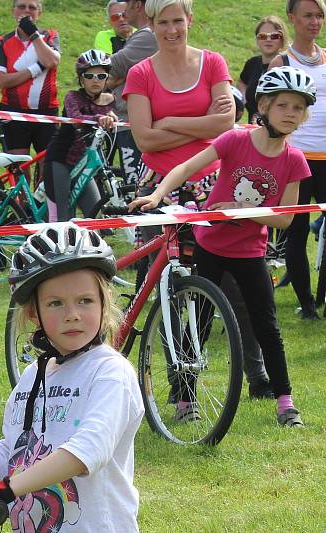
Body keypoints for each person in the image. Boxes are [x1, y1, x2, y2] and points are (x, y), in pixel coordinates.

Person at [0, 224, 143, 532]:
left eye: (85, 300)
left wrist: (6, 489)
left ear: (104, 303)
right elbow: (12, 451)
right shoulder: (33, 376)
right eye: (55, 303)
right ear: (34, 313)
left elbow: (87, 453)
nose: (72, 313)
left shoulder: (110, 372)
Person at [130, 66, 314, 427]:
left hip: (251, 253)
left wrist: (241, 210)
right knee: (196, 324)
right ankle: (185, 400)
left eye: (298, 107)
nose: (291, 113)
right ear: (264, 106)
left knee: (267, 327)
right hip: (210, 247)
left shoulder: (295, 160)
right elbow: (186, 168)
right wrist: (157, 193)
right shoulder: (235, 140)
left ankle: (285, 402)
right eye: (284, 105)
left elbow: (284, 220)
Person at [122, 0, 233, 256]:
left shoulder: (213, 63)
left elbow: (225, 124)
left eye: (177, 21)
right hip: (157, 184)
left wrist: (169, 122)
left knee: (215, 268)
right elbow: (145, 141)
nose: (171, 30)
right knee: (164, 274)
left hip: (211, 183)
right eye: (163, 22)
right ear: (151, 25)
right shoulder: (140, 73)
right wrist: (204, 123)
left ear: (189, 20)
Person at [267, 0, 326, 320]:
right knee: (297, 231)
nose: (314, 22)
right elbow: (267, 107)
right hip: (296, 159)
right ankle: (307, 304)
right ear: (292, 19)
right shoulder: (282, 61)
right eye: (308, 16)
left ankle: (322, 295)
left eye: (319, 16)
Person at [43, 50, 118, 222]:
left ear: (107, 78)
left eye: (101, 76)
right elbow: (77, 119)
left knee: (96, 216)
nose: (95, 80)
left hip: (82, 163)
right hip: (60, 159)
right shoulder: (73, 97)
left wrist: (112, 116)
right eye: (89, 75)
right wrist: (100, 118)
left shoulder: (109, 100)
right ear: (81, 78)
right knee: (62, 216)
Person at [0, 1, 61, 169]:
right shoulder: (2, 42)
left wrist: (33, 34)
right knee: (19, 169)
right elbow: (2, 80)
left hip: (46, 111)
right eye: (21, 7)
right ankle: (21, 197)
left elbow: (51, 61)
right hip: (14, 111)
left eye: (32, 7)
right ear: (13, 11)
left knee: (49, 167)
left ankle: (42, 196)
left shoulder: (50, 36)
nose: (27, 11)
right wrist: (37, 68)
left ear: (40, 12)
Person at [105, 0, 158, 186]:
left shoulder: (147, 36)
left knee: (135, 185)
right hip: (129, 122)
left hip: (133, 123)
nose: (124, 14)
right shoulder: (141, 36)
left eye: (126, 7)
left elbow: (104, 68)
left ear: (137, 5)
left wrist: (115, 77)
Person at [237, 16, 288, 124]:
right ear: (257, 40)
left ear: (282, 39)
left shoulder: (288, 66)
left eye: (274, 36)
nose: (268, 39)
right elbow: (242, 81)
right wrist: (242, 100)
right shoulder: (252, 63)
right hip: (254, 130)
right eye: (263, 36)